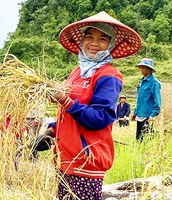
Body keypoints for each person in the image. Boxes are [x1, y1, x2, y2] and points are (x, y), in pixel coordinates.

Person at [33, 11, 142, 200]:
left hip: (86, 161)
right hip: (65, 158)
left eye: (102, 39)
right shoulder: (77, 72)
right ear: (82, 40)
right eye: (89, 36)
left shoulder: (108, 75)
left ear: (111, 44)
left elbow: (101, 118)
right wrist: (51, 132)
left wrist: (64, 100)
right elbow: (67, 113)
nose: (94, 43)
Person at [131, 58, 161, 142]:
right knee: (138, 139)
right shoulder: (142, 81)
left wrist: (153, 115)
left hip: (148, 116)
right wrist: (135, 112)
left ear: (150, 69)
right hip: (140, 114)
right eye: (141, 67)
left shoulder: (154, 83)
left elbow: (157, 100)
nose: (142, 69)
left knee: (147, 140)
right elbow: (140, 100)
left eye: (144, 67)